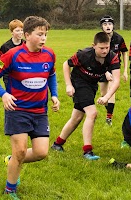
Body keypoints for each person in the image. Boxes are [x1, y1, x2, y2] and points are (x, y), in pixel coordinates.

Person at [0, 16, 60, 199]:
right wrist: (4, 94)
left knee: (41, 152)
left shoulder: (49, 54)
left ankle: (12, 161)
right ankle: (10, 189)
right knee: (20, 150)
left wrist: (54, 95)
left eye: (46, 34)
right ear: (27, 35)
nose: (44, 38)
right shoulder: (12, 55)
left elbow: (51, 75)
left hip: (39, 111)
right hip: (17, 110)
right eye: (40, 34)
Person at [51, 32, 120, 160]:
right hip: (79, 83)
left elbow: (116, 81)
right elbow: (66, 64)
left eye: (107, 47)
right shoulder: (84, 54)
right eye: (101, 48)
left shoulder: (113, 57)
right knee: (92, 113)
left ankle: (57, 144)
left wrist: (106, 97)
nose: (105, 51)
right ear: (94, 46)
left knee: (77, 117)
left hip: (92, 85)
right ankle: (87, 151)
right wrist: (68, 85)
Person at [99, 15, 128, 126]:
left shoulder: (119, 38)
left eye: (110, 24)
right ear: (102, 27)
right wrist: (105, 72)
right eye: (105, 24)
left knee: (111, 92)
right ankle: (109, 110)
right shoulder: (99, 38)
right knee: (104, 94)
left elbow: (125, 52)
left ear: (113, 26)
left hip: (114, 67)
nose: (108, 26)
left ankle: (109, 119)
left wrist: (125, 71)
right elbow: (96, 56)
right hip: (101, 68)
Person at [0, 19, 24, 87]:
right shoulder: (5, 47)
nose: (20, 32)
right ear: (12, 32)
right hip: (9, 78)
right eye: (17, 30)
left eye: (21, 30)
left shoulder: (26, 45)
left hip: (23, 76)